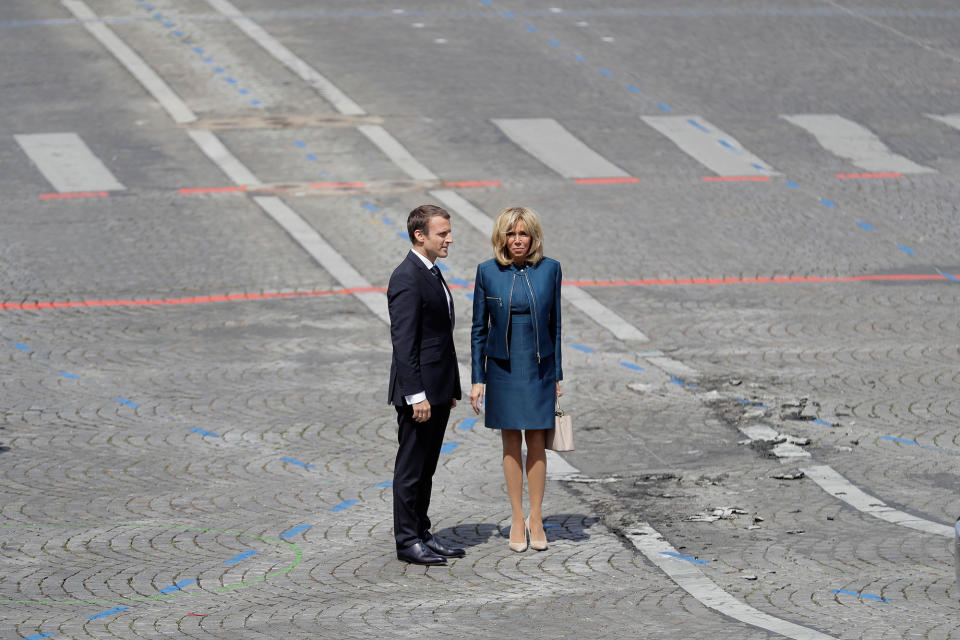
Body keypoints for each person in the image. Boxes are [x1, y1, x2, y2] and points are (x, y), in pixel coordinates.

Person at [469, 206, 563, 552]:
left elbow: (556, 326)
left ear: (533, 236)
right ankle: (516, 516)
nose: (517, 240)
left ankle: (536, 517)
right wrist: (478, 378)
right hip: (503, 368)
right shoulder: (486, 272)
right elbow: (479, 329)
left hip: (538, 366)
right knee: (510, 441)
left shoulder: (550, 270)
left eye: (523, 233)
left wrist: (557, 376)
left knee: (536, 440)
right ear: (502, 238)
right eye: (511, 234)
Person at [387, 204, 464, 566]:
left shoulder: (430, 272)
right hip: (418, 395)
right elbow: (404, 344)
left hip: (437, 391)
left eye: (448, 232)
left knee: (427, 467)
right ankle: (407, 541)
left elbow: (440, 338)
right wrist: (416, 394)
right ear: (421, 235)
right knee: (411, 469)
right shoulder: (407, 277)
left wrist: (448, 389)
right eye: (442, 233)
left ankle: (422, 532)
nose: (449, 238)